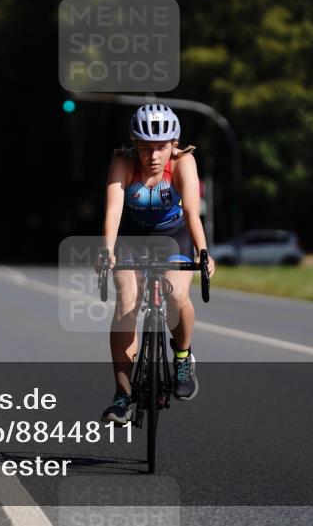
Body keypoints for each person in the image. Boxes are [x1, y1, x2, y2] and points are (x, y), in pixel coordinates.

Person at [99, 104, 215, 424]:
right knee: (126, 304)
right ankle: (122, 394)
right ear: (134, 144)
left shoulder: (183, 162)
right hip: (132, 238)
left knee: (177, 297)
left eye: (162, 148)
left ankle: (182, 357)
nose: (153, 156)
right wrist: (107, 251)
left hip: (173, 237)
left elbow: (192, 211)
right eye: (146, 148)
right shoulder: (122, 162)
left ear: (173, 144)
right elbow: (113, 212)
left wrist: (203, 254)